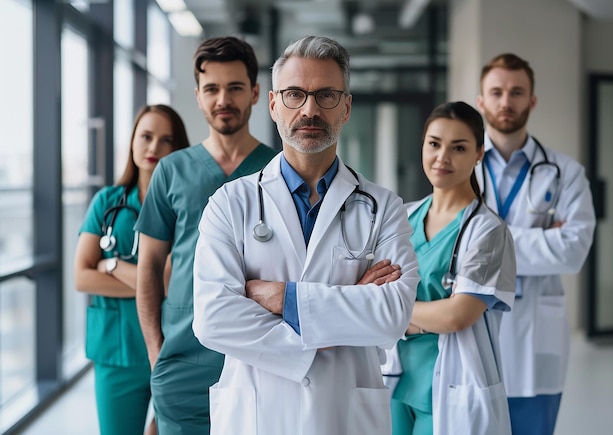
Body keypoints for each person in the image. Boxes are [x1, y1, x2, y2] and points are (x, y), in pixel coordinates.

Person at [192, 35, 420, 435]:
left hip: (344, 415)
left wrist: (281, 297)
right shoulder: (231, 203)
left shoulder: (384, 207)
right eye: (295, 94)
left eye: (327, 95)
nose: (310, 109)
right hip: (259, 415)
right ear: (275, 104)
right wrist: (333, 326)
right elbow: (213, 318)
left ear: (346, 107)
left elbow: (391, 317)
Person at [134, 36, 277, 435]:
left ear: (254, 94)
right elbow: (149, 269)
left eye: (234, 88)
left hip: (262, 359)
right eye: (212, 89)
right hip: (182, 361)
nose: (223, 99)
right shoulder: (171, 171)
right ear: (197, 96)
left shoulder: (279, 171)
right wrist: (156, 352)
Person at [476, 53, 596, 435]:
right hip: (472, 331)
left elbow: (573, 251)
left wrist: (483, 242)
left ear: (532, 100)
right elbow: (446, 245)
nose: (505, 102)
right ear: (481, 101)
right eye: (496, 92)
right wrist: (543, 238)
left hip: (534, 345)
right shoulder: (457, 167)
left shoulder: (566, 172)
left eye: (516, 92)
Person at [388, 101, 517, 435]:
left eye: (458, 148)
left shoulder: (487, 230)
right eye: (434, 144)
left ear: (478, 154)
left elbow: (457, 316)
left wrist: (392, 313)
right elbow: (367, 293)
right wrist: (416, 317)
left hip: (451, 386)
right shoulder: (402, 217)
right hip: (393, 379)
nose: (442, 157)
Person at [73, 104, 190, 435]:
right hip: (116, 353)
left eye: (165, 140)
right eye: (146, 137)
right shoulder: (107, 202)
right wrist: (150, 281)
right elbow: (82, 277)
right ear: (132, 142)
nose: (153, 148)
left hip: (174, 349)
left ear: (178, 147)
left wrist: (110, 265)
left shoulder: (186, 207)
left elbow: (168, 281)